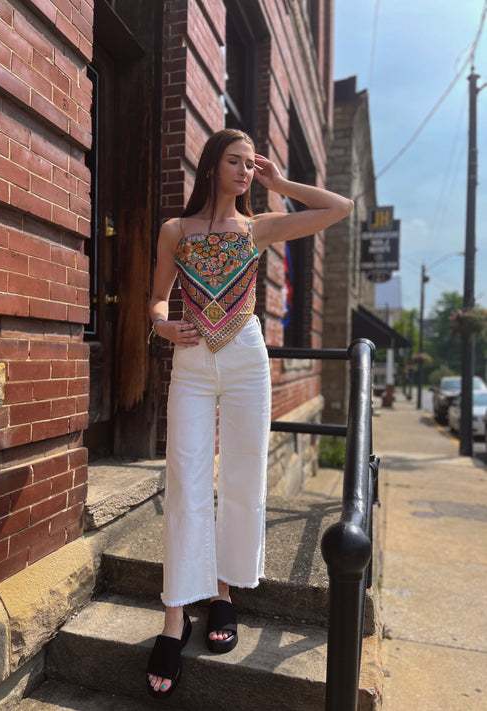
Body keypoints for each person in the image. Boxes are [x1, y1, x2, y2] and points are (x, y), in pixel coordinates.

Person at [146, 128, 354, 698]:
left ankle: (222, 595)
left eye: (249, 163)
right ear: (212, 165)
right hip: (190, 360)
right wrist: (160, 324)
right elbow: (158, 297)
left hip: (245, 360)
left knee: (241, 475)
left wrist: (278, 181)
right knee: (185, 481)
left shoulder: (258, 227)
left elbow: (341, 207)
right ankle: (173, 616)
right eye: (235, 161)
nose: (244, 170)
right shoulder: (175, 231)